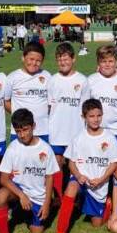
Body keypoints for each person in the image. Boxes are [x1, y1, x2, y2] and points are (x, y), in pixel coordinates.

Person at [51, 99, 117, 233]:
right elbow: (70, 162)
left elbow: (114, 163)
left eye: (98, 115)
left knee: (97, 224)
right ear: (84, 117)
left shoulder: (109, 137)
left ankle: (104, 205)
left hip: (99, 185)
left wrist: (102, 179)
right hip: (81, 180)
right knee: (70, 189)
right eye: (91, 116)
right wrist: (78, 175)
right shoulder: (78, 138)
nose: (95, 119)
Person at [0, 108, 59, 233]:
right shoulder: (13, 147)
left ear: (33, 126)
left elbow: (49, 178)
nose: (22, 135)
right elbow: (3, 179)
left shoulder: (46, 149)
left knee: (37, 231)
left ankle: (29, 210)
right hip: (19, 191)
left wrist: (47, 203)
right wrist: (22, 195)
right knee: (0, 197)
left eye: (25, 130)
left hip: (38, 195)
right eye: (18, 131)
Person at [46, 42, 88, 198]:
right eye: (59, 59)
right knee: (57, 163)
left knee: (75, 164)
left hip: (76, 131)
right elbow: (50, 107)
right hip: (56, 131)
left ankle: (75, 196)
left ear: (73, 59)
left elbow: (85, 110)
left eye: (65, 59)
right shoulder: (52, 80)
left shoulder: (82, 80)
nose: (63, 62)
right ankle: (58, 197)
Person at [4, 42, 51, 146]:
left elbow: (50, 103)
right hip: (19, 131)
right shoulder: (12, 78)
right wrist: (20, 117)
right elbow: (6, 102)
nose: (34, 63)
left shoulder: (47, 76)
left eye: (38, 61)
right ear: (23, 58)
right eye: (31, 59)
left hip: (43, 130)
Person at [88, 45, 117, 148]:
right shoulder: (90, 80)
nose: (107, 65)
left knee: (114, 163)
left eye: (110, 61)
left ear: (116, 62)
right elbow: (85, 106)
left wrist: (115, 116)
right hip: (94, 129)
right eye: (104, 61)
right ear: (98, 63)